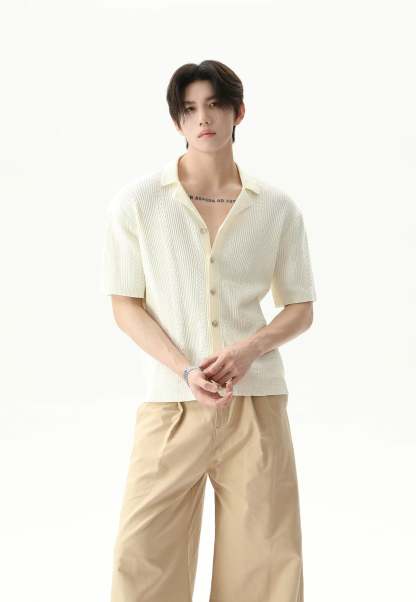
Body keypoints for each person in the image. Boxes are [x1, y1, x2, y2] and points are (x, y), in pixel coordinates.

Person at [101, 59, 317, 602]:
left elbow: (299, 307)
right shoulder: (139, 203)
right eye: (191, 108)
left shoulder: (277, 208)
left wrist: (248, 350)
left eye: (216, 105)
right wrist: (185, 369)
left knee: (264, 564)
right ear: (177, 120)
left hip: (256, 406)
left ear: (238, 112)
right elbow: (126, 305)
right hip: (171, 406)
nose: (204, 118)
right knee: (142, 558)